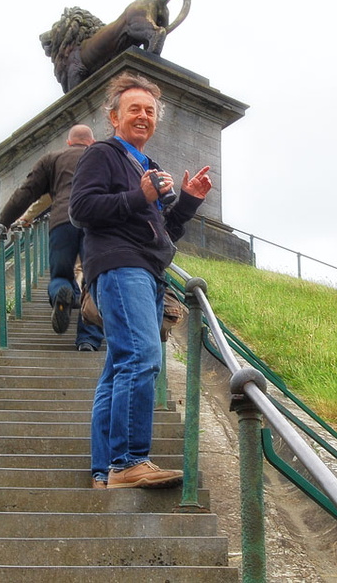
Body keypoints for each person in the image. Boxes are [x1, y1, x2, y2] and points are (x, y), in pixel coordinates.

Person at [69, 72, 213, 489]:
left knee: (119, 369)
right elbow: (81, 209)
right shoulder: (103, 154)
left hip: (147, 270)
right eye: (135, 109)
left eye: (150, 111)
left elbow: (160, 231)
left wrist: (186, 202)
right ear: (113, 117)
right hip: (119, 267)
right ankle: (128, 462)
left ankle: (104, 471)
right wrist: (141, 197)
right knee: (143, 358)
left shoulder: (148, 165)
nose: (143, 116)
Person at [0, 124, 103, 351]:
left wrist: (3, 222)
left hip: (62, 222)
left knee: (60, 275)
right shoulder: (102, 156)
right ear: (92, 142)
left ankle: (62, 296)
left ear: (68, 142)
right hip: (95, 223)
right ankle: (88, 339)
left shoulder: (52, 159)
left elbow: (25, 192)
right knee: (95, 279)